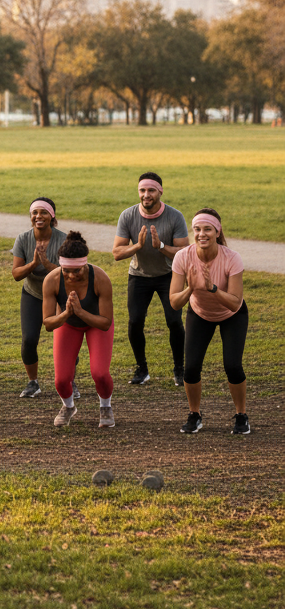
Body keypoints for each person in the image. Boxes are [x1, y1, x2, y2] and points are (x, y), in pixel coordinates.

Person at [170, 209, 249, 435]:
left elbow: (234, 303)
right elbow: (175, 303)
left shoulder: (231, 258)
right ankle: (195, 414)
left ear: (217, 231)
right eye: (197, 229)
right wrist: (191, 289)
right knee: (191, 368)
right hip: (200, 313)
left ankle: (241, 415)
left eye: (207, 229)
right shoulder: (183, 257)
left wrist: (212, 288)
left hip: (232, 315)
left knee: (232, 365)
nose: (201, 234)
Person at [113, 173, 190, 386]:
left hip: (169, 275)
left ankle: (179, 369)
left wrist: (162, 247)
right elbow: (117, 253)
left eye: (151, 190)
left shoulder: (175, 216)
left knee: (174, 321)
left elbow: (184, 252)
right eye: (142, 190)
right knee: (135, 321)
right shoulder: (127, 216)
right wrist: (137, 246)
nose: (146, 195)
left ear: (160, 192)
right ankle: (142, 369)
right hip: (139, 276)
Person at [42, 232, 116, 428]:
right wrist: (67, 314)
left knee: (100, 373)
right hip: (67, 324)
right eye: (66, 270)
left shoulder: (100, 278)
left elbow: (105, 323)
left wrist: (80, 312)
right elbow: (49, 324)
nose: (72, 275)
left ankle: (105, 406)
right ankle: (68, 407)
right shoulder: (51, 280)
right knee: (61, 380)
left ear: (85, 264)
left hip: (96, 324)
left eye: (77, 270)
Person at [11, 198, 67, 398]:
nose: (38, 216)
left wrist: (46, 263)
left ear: (52, 216)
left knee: (65, 340)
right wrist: (35, 263)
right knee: (29, 339)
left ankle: (69, 381)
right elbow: (17, 274)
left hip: (59, 293)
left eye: (43, 212)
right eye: (34, 213)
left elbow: (69, 274)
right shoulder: (23, 239)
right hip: (33, 293)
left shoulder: (64, 239)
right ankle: (33, 382)